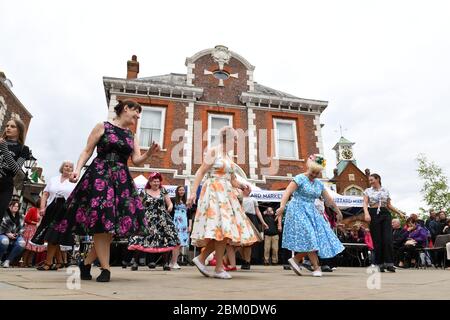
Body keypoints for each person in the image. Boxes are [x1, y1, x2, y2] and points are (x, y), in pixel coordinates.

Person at [48, 99, 160, 282]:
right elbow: (87, 151)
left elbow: (137, 160)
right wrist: (77, 169)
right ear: (126, 108)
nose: (138, 116)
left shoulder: (132, 135)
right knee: (103, 221)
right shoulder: (103, 126)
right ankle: (106, 269)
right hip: (100, 175)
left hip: (121, 179)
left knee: (111, 226)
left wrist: (149, 154)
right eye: (136, 112)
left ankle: (85, 265)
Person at [187, 126, 257, 279]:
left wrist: (243, 185)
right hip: (213, 191)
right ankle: (217, 267)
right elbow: (201, 172)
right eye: (235, 139)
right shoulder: (213, 151)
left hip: (226, 193)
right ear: (227, 138)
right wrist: (193, 192)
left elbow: (232, 180)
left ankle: (202, 259)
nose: (236, 142)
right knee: (221, 229)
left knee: (226, 229)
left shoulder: (228, 157)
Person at [276, 154, 344, 277]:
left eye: (317, 173)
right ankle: (316, 267)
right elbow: (287, 192)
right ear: (308, 168)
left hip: (311, 211)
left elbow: (329, 200)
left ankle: (296, 259)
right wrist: (282, 206)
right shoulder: (299, 178)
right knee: (310, 236)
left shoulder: (319, 184)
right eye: (313, 172)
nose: (314, 175)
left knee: (317, 238)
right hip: (297, 208)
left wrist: (338, 211)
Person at [128, 172, 179, 271]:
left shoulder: (163, 190)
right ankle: (135, 262)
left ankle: (165, 263)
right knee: (142, 238)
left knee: (166, 238)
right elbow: (139, 204)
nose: (156, 183)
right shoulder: (144, 191)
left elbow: (169, 203)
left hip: (162, 218)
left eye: (158, 181)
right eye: (154, 181)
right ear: (150, 182)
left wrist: (170, 207)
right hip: (148, 218)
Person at [31, 161, 76, 270]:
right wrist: (42, 207)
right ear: (62, 167)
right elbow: (45, 194)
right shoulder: (53, 179)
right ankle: (60, 262)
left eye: (71, 167)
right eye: (66, 166)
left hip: (65, 209)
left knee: (53, 235)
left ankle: (48, 263)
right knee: (51, 234)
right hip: (52, 207)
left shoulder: (74, 182)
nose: (68, 168)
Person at [363, 173, 406, 272]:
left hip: (385, 213)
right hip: (373, 213)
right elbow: (365, 203)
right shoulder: (367, 191)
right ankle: (379, 264)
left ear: (378, 179)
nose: (370, 182)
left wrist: (399, 213)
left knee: (387, 239)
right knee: (377, 240)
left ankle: (389, 263)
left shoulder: (385, 190)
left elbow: (389, 205)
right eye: (369, 180)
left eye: (372, 180)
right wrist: (366, 214)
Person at [0, 118, 30, 219]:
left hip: (5, 187)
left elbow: (15, 169)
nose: (8, 128)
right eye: (7, 126)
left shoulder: (23, 149)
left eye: (12, 126)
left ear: (19, 130)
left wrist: (4, 148)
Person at [240, 187, 268, 269]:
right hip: (241, 218)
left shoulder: (253, 199)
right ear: (243, 189)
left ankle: (247, 261)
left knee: (249, 242)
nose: (249, 190)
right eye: (247, 189)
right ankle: (243, 259)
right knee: (241, 243)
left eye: (250, 189)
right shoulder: (239, 198)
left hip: (251, 218)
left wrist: (263, 222)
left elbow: (258, 211)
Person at [169, 185, 192, 269]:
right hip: (175, 223)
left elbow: (189, 215)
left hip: (184, 224)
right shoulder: (173, 200)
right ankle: (174, 262)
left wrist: (190, 226)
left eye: (183, 190)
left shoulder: (187, 201)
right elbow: (169, 212)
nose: (181, 191)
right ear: (177, 191)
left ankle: (173, 262)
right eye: (180, 190)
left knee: (181, 244)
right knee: (176, 243)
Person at [0, 201, 25, 267]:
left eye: (17, 206)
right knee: (4, 241)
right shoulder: (4, 213)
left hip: (15, 235)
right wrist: (7, 233)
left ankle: (8, 260)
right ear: (10, 206)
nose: (16, 208)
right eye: (14, 206)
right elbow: (1, 225)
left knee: (22, 243)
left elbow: (22, 227)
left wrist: (16, 234)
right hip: (3, 233)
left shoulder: (21, 215)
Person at [21, 198, 45, 267]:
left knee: (34, 248)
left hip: (37, 231)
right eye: (43, 202)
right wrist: (35, 223)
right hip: (30, 229)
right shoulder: (32, 209)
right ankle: (24, 262)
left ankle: (30, 263)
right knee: (28, 247)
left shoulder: (43, 211)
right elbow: (26, 219)